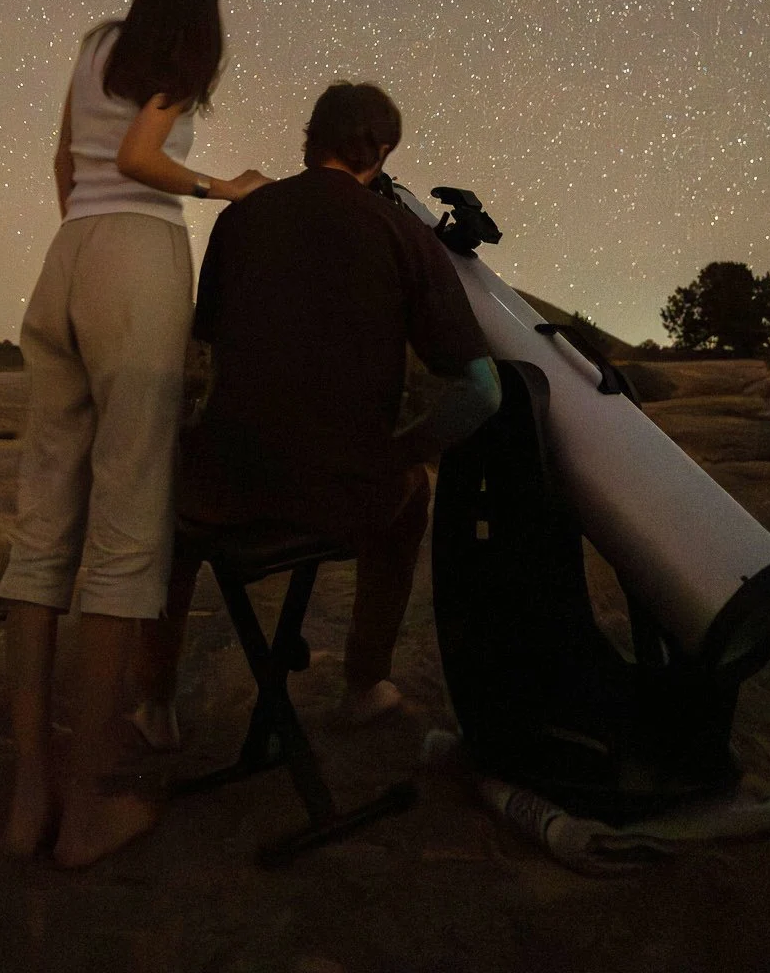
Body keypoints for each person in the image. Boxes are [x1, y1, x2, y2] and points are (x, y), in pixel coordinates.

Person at [0, 0, 269, 867]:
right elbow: (142, 155)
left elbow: (66, 164)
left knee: (42, 529)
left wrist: (85, 239)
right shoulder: (177, 52)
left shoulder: (96, 45)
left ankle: (29, 795)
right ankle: (87, 808)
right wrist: (222, 187)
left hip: (67, 258)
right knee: (126, 527)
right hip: (136, 258)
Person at [132, 81, 500, 743]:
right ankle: (364, 684)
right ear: (380, 153)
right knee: (412, 497)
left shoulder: (240, 218)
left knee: (173, 514)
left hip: (226, 489)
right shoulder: (403, 234)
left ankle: (154, 702)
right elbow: (481, 392)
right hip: (341, 495)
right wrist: (394, 453)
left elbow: (207, 343)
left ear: (310, 141)